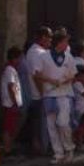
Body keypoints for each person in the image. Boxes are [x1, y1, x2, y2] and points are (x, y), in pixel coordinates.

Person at [35, 28, 77, 164]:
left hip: (64, 94)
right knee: (51, 125)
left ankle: (69, 148)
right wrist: (51, 81)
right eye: (65, 41)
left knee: (63, 122)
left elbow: (73, 74)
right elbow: (37, 74)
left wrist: (66, 79)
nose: (67, 44)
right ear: (59, 43)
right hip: (49, 93)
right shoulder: (44, 56)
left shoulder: (69, 57)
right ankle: (58, 153)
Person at [24, 26, 52, 154]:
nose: (51, 41)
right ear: (43, 38)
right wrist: (43, 93)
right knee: (41, 123)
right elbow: (37, 75)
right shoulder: (37, 53)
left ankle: (40, 146)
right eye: (49, 37)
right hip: (39, 94)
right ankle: (41, 147)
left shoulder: (35, 51)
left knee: (37, 123)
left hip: (38, 94)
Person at [1, 46, 24, 155]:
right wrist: (15, 102)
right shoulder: (10, 69)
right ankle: (7, 148)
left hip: (11, 103)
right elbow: (11, 86)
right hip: (10, 104)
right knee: (8, 128)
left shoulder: (11, 69)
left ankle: (9, 147)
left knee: (11, 127)